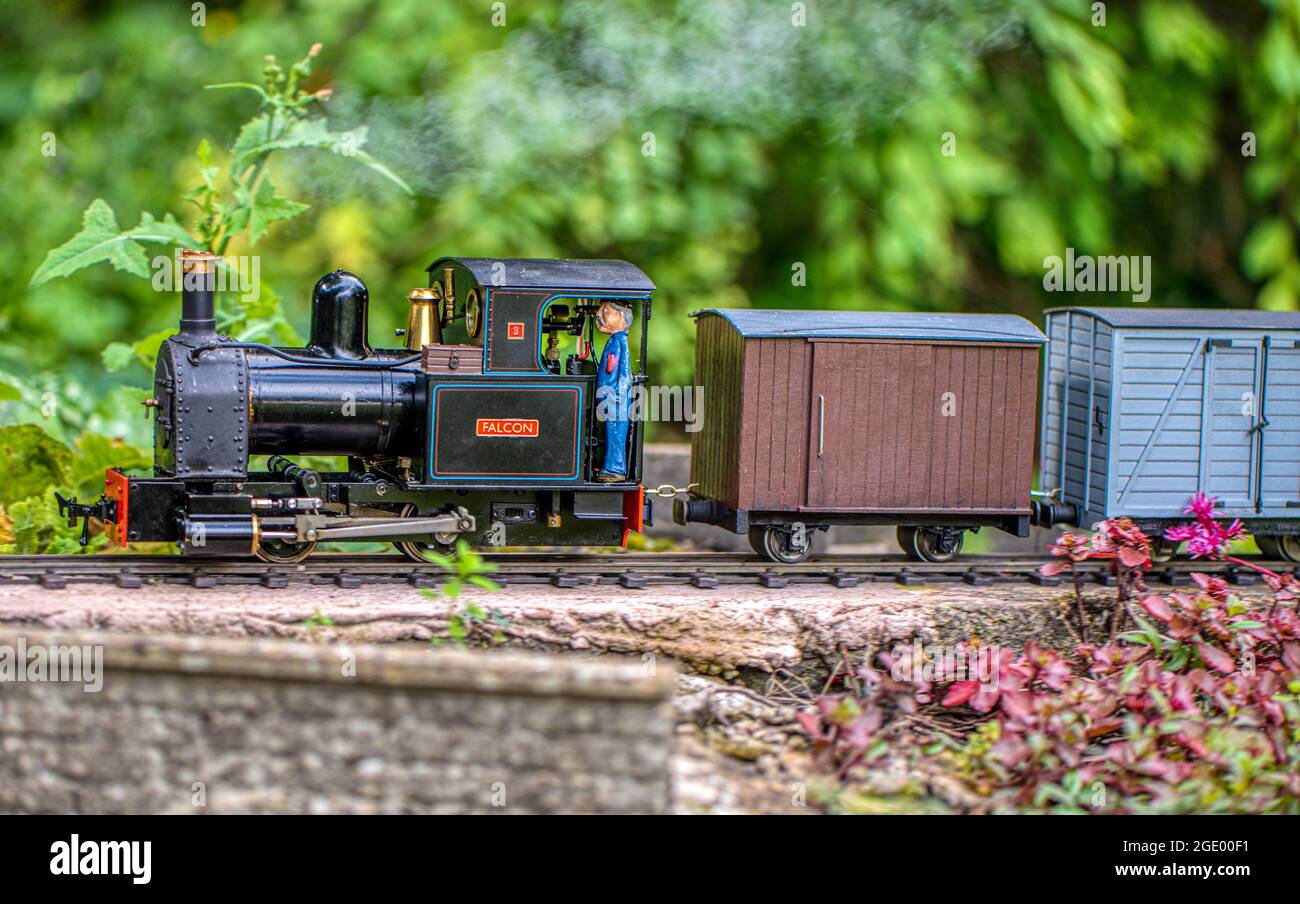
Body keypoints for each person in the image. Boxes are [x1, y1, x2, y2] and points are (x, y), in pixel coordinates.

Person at [594, 301, 633, 482]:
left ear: (621, 317)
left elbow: (621, 371)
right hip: (609, 394)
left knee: (615, 433)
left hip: (615, 395)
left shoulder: (619, 342)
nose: (599, 314)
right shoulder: (614, 341)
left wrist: (616, 393)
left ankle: (615, 468)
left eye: (606, 311)